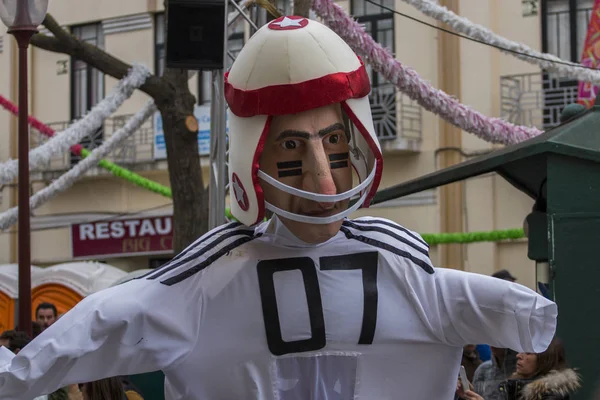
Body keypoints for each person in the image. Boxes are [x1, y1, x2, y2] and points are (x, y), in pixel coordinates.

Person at [0, 16, 557, 400]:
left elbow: (548, 323)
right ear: (254, 153)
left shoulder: (406, 271)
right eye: (291, 148)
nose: (321, 175)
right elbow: (76, 341)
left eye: (334, 144)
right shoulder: (207, 278)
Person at [459, 338, 580, 400]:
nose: (519, 355)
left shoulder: (552, 395)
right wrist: (467, 396)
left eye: (528, 353)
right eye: (521, 350)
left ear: (544, 360)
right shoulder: (514, 386)